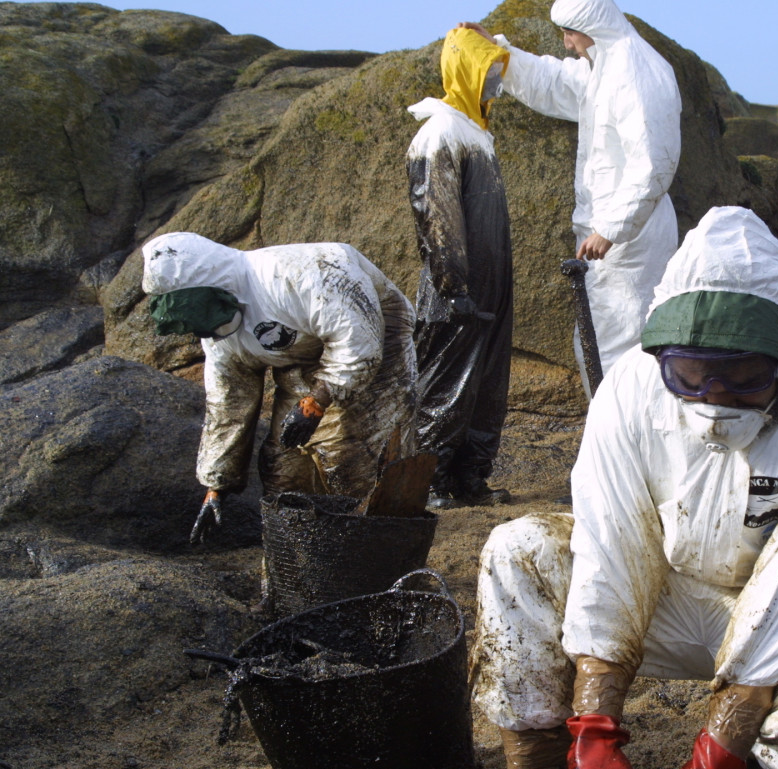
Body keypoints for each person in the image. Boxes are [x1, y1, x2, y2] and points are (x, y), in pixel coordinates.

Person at [472, 207, 778, 769]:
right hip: (669, 592)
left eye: (745, 376)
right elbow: (614, 544)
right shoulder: (630, 390)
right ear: (662, 359)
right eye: (691, 374)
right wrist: (596, 723)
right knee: (518, 550)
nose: (715, 398)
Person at [142, 232, 418, 604]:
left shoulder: (308, 273)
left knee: (348, 462)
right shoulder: (217, 333)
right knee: (282, 468)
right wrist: (216, 485)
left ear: (216, 291)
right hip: (300, 360)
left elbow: (358, 343)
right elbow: (228, 404)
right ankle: (293, 582)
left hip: (375, 344)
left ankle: (373, 581)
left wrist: (317, 403)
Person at [460, 0, 682, 395]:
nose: (566, 44)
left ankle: (629, 437)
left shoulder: (638, 73)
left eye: (569, 33)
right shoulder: (605, 66)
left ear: (592, 27)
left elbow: (653, 163)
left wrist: (612, 228)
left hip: (631, 241)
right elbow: (556, 83)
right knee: (599, 341)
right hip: (606, 238)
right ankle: (611, 434)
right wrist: (500, 54)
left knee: (626, 345)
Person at [407, 27, 515, 509]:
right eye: (487, 72)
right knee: (444, 384)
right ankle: (429, 481)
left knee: (487, 385)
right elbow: (437, 212)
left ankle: (471, 477)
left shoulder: (478, 134)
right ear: (465, 73)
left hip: (489, 286)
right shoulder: (440, 133)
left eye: (497, 71)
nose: (496, 82)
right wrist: (453, 285)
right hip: (456, 288)